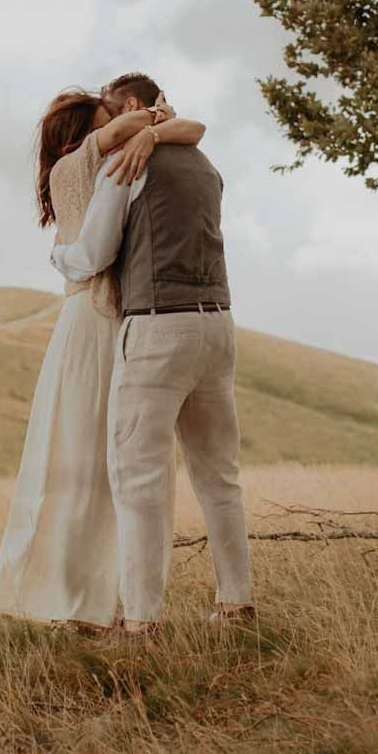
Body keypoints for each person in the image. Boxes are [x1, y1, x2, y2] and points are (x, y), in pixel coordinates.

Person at [0, 85, 206, 629]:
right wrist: (152, 118)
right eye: (109, 119)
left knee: (119, 465)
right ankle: (65, 596)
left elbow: (194, 130)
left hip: (120, 324)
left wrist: (155, 124)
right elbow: (90, 255)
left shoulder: (116, 168)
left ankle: (106, 598)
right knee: (78, 460)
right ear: (87, 130)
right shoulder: (77, 164)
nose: (120, 127)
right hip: (91, 324)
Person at [50, 72, 254, 634]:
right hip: (219, 322)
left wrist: (58, 257)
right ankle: (236, 602)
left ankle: (140, 620)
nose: (113, 132)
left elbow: (93, 253)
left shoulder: (127, 164)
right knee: (219, 476)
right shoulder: (204, 163)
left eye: (114, 118)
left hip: (157, 327)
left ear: (131, 107)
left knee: (137, 478)